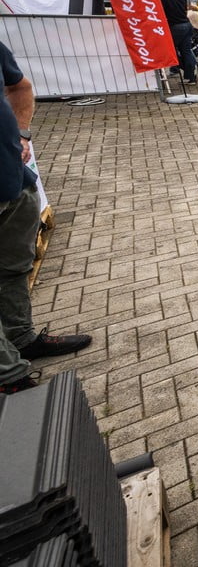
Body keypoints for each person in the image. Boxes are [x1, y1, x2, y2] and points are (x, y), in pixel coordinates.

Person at [1, 42, 91, 393]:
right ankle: (10, 377)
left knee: (14, 268)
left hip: (12, 182)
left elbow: (20, 87)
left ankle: (22, 339)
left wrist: (22, 134)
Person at [155, 0, 197, 84]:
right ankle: (191, 76)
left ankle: (185, 68)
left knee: (169, 51)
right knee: (186, 51)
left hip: (176, 27)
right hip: (187, 24)